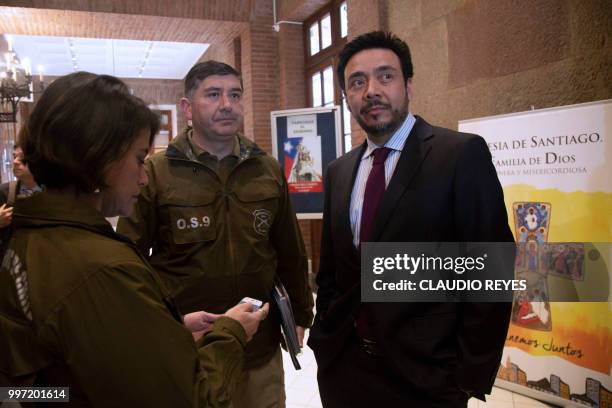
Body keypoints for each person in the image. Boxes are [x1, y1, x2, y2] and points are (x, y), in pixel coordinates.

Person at [0, 72, 269, 407]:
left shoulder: (34, 235)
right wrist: (230, 333)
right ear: (99, 159)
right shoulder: (102, 269)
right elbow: (192, 400)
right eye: (139, 159)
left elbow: (49, 378)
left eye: (234, 94)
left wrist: (164, 331)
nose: (143, 177)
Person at [307, 31, 514, 407]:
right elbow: (333, 273)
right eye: (357, 81)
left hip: (427, 379)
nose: (371, 90)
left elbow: (491, 271)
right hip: (345, 372)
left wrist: (468, 375)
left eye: (385, 76)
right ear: (346, 97)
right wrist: (325, 342)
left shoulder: (459, 155)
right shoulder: (339, 171)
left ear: (408, 86)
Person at [117, 61, 313, 408]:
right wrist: (163, 326)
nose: (227, 104)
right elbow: (129, 260)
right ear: (187, 107)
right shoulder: (156, 173)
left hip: (259, 347)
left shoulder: (266, 168)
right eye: (214, 94)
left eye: (235, 95)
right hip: (192, 347)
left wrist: (300, 314)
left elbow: (290, 251)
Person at [0, 142, 43, 228]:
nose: (15, 162)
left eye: (22, 157)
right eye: (14, 157)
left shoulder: (54, 192)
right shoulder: (4, 191)